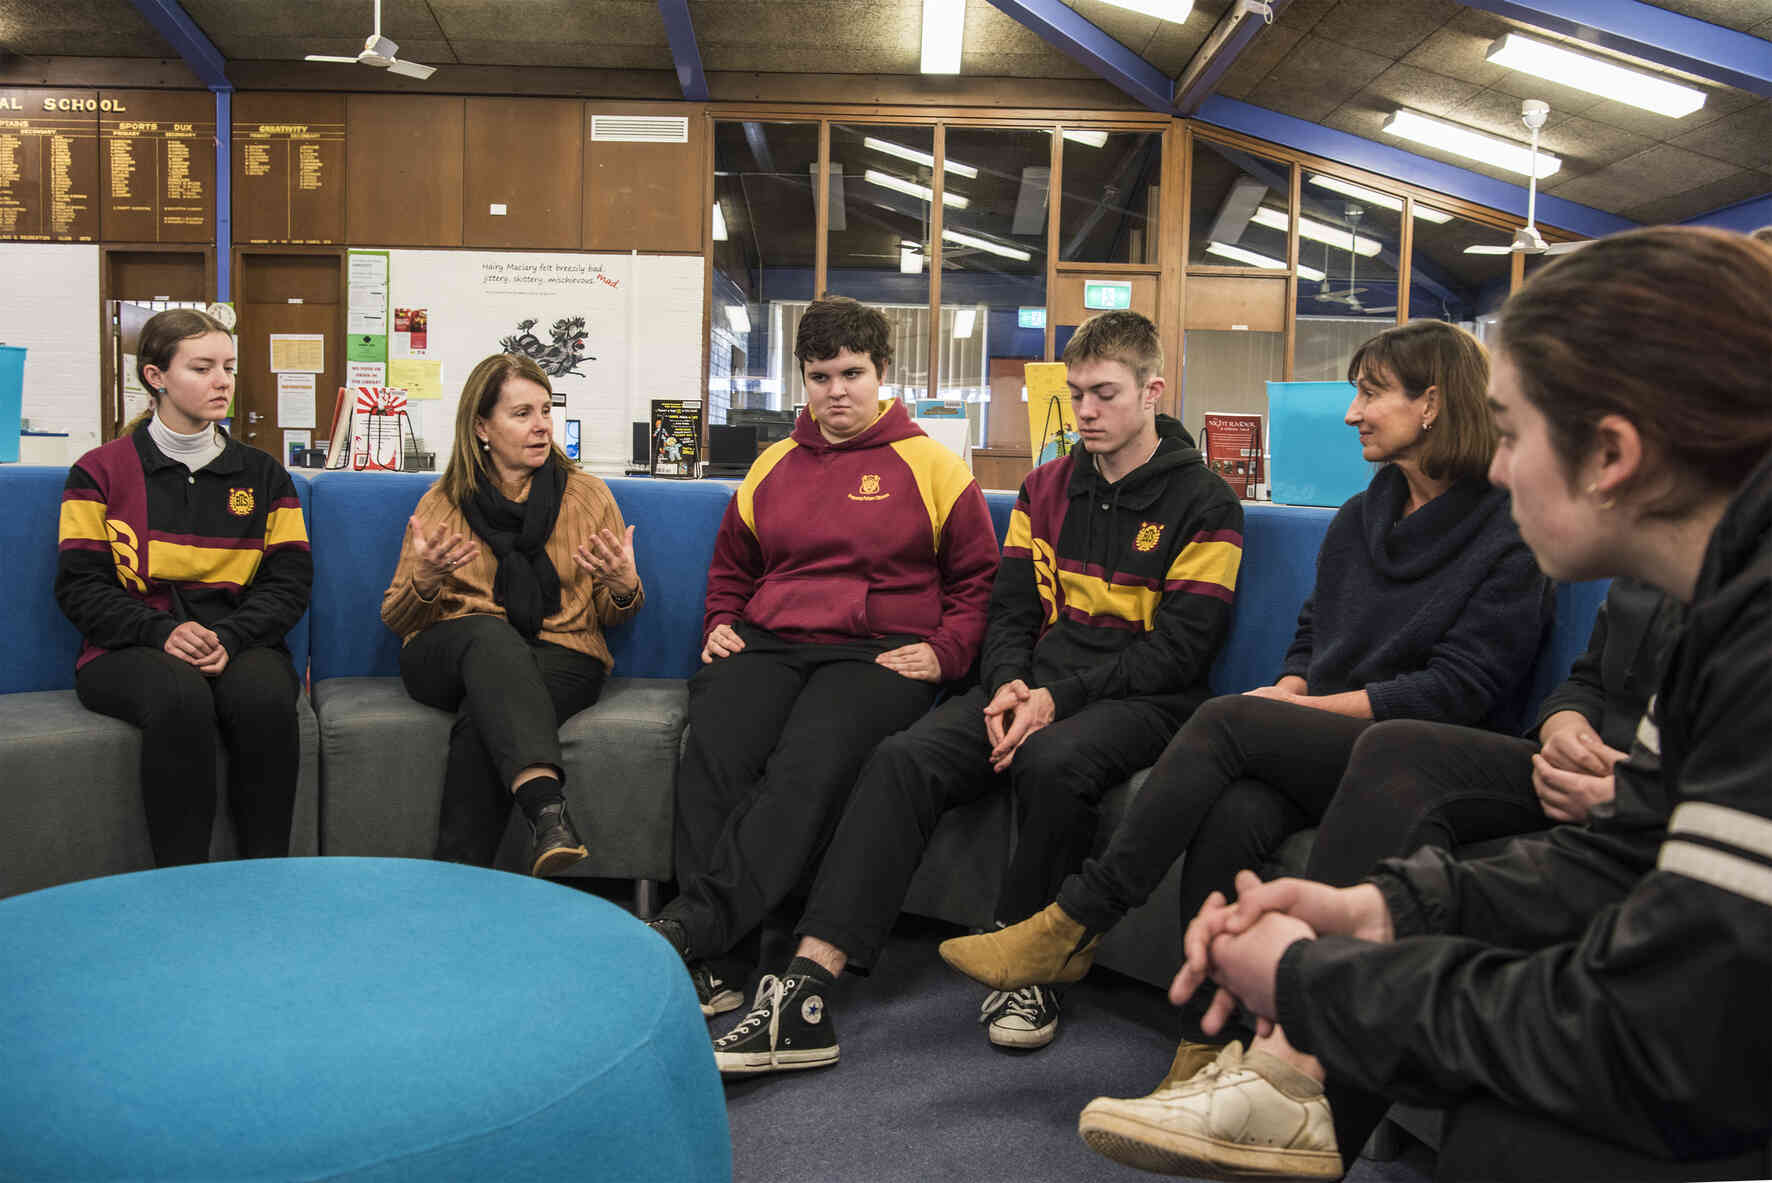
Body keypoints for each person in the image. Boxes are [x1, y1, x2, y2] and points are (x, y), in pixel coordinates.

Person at [1143, 225, 1772, 1182]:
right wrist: (1380, 905)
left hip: (1708, 1058)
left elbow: (1670, 1034)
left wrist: (1321, 982)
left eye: (1513, 432)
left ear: (1611, 453)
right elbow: (1614, 857)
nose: (1501, 465)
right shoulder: (1715, 609)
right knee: (1496, 1126)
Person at [939, 320, 1553, 1025]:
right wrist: (1292, 689)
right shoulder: (1360, 516)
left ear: (1433, 404)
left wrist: (1295, 714)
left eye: (1370, 393)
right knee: (1232, 816)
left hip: (1424, 745)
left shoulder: (1509, 531)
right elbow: (1312, 635)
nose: (1352, 412)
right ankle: (1207, 1040)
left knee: (1226, 717)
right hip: (1335, 735)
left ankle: (1077, 918)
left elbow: (1458, 691)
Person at [705, 310, 1245, 1074]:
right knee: (903, 758)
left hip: (1148, 695)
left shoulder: (1207, 503)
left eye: (1106, 394)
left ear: (1153, 391)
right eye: (1077, 392)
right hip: (1035, 684)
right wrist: (1008, 682)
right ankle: (808, 986)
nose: (1086, 411)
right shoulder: (1045, 487)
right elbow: (1012, 610)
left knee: (1051, 761)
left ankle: (1033, 969)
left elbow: (1182, 648)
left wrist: (1054, 700)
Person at [1078, 575, 1682, 1175]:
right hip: (1573, 772)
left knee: (1232, 730)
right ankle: (1283, 1080)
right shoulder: (1660, 564)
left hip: (1664, 812)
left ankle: (1078, 927)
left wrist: (1639, 801)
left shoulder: (1725, 587)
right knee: (1376, 755)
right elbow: (1586, 681)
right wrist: (1565, 727)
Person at [646, 295, 999, 1019]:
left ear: (882, 373)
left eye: (852, 372)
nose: (837, 391)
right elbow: (732, 565)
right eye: (819, 376)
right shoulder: (774, 463)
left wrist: (947, 651)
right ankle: (720, 965)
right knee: (714, 742)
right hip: (773, 640)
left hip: (876, 654)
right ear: (801, 381)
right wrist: (719, 619)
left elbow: (977, 581)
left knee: (809, 758)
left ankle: (696, 924)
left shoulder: (932, 465)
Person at [55, 308, 312, 866]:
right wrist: (162, 632)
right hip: (131, 647)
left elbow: (289, 583)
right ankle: (183, 884)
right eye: (202, 367)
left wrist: (233, 635)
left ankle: (266, 875)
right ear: (156, 377)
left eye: (229, 367)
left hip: (239, 640)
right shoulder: (98, 472)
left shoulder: (264, 476)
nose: (223, 381)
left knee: (267, 697)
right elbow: (81, 586)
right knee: (179, 696)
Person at [381, 353, 642, 876]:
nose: (542, 425)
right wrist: (427, 582)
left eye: (546, 410)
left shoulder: (588, 497)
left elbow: (610, 614)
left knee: (487, 713)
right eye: (522, 414)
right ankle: (547, 806)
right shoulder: (443, 503)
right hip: (447, 652)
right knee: (489, 636)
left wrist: (623, 587)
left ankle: (461, 879)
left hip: (562, 652)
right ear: (481, 426)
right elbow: (397, 617)